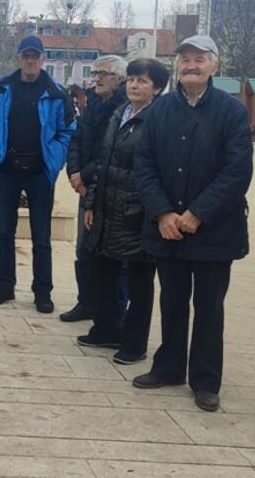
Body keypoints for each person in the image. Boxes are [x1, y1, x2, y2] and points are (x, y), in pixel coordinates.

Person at [133, 35, 252, 412]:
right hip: (167, 227)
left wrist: (199, 212)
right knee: (172, 300)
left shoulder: (232, 112)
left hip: (215, 229)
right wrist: (163, 212)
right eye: (184, 59)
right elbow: (145, 165)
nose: (191, 65)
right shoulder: (160, 110)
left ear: (215, 65)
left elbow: (237, 171)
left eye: (200, 59)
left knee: (209, 306)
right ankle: (169, 367)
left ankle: (205, 380)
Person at [79, 58, 170, 365]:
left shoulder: (159, 120)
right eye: (132, 79)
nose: (134, 85)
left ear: (157, 88)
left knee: (139, 281)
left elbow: (157, 172)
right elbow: (104, 162)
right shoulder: (121, 113)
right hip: (107, 206)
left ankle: (134, 343)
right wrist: (91, 202)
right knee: (100, 270)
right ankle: (106, 328)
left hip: (137, 211)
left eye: (143, 81)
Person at [0, 35, 76, 312]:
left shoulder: (57, 93)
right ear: (19, 58)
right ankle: (5, 285)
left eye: (36, 56)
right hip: (7, 170)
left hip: (39, 172)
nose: (31, 60)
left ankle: (42, 291)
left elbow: (67, 131)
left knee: (41, 236)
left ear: (43, 58)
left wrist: (54, 159)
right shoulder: (1, 89)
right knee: (4, 233)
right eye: (26, 55)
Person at [62, 55, 128, 322]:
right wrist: (74, 173)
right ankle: (85, 302)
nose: (97, 77)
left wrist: (84, 175)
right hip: (86, 188)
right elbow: (76, 139)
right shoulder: (92, 104)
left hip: (110, 189)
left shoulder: (124, 108)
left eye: (104, 73)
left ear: (120, 79)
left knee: (112, 254)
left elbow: (111, 151)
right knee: (83, 249)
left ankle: (113, 312)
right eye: (96, 72)